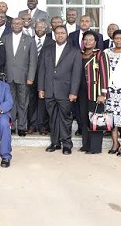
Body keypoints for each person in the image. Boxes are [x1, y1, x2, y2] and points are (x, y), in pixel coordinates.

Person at [38, 26, 82, 155]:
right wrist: (41, 88)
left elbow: (76, 74)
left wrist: (74, 92)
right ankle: (55, 143)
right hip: (49, 90)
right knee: (52, 118)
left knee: (65, 119)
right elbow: (42, 70)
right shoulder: (47, 50)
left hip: (66, 91)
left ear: (66, 35)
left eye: (62, 33)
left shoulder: (74, 51)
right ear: (54, 35)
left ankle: (67, 144)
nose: (60, 35)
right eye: (57, 33)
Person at [1, 18, 37, 136]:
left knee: (23, 102)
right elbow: (1, 58)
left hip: (24, 76)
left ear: (23, 24)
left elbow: (33, 61)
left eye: (19, 23)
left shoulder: (30, 40)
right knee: (10, 102)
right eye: (14, 23)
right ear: (11, 25)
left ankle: (22, 126)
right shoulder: (5, 38)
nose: (16, 25)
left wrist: (31, 77)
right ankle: (11, 125)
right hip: (8, 75)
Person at [79, 31, 110, 154]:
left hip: (95, 93)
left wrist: (103, 94)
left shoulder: (100, 55)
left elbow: (105, 74)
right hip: (81, 93)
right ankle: (86, 145)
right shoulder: (79, 54)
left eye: (90, 40)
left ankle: (95, 147)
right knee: (84, 119)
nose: (88, 42)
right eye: (85, 39)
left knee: (96, 119)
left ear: (95, 42)